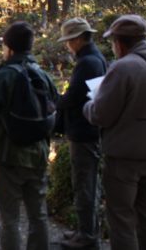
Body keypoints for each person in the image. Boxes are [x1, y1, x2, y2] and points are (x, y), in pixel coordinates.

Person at [83, 15, 146, 250]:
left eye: (113, 42)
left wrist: (87, 105)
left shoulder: (123, 68)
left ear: (121, 42)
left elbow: (100, 115)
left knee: (122, 219)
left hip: (124, 158)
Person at [0, 21, 58, 250]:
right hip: (39, 153)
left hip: (9, 154)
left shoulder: (4, 75)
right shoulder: (42, 75)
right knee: (38, 214)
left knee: (10, 218)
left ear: (8, 47)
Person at [55, 18, 107, 249]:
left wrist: (55, 101)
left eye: (68, 41)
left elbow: (76, 96)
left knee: (85, 185)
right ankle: (84, 231)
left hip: (85, 132)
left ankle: (87, 236)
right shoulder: (94, 59)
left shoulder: (89, 62)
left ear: (77, 39)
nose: (67, 45)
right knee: (86, 184)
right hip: (87, 130)